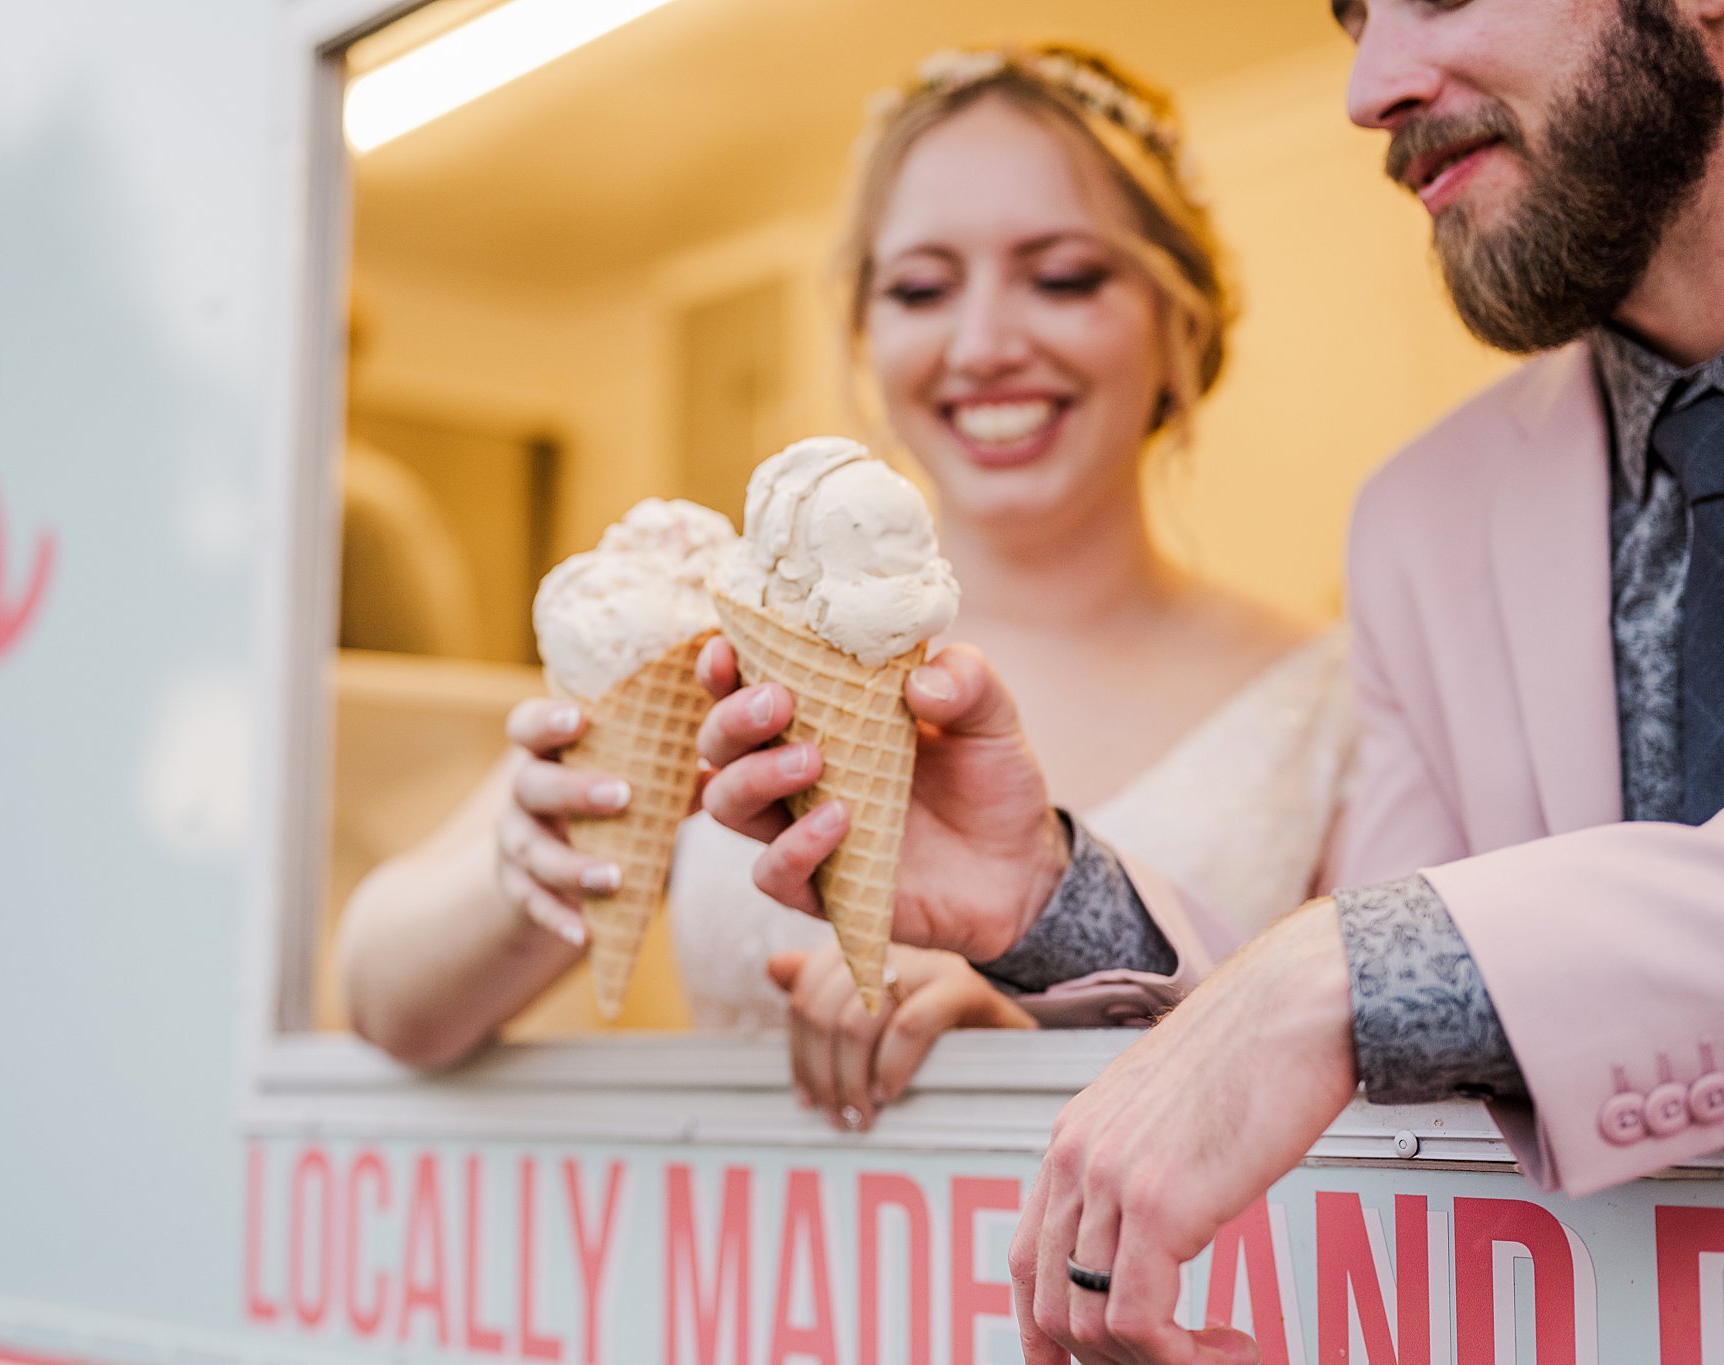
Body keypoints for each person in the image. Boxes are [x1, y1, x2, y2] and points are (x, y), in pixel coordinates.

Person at [703, 0, 1724, 1359]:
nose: (1368, 87)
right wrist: (1054, 906)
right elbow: (1392, 1080)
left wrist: (1344, 967)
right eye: (1355, 15)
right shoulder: (1424, 520)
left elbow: (1356, 980)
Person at [338, 47, 1357, 1114]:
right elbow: (382, 998)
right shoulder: (718, 635)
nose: (982, 343)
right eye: (919, 288)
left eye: (1061, 277)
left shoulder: (1329, 700)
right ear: (866, 334)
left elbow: (1407, 1109)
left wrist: (1040, 1030)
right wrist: (530, 866)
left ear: (1178, 316)